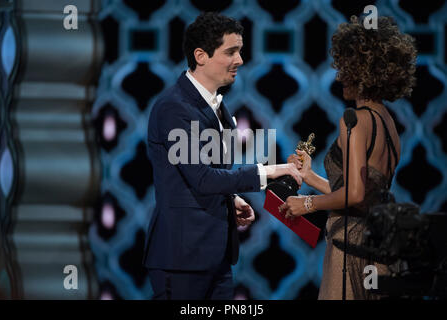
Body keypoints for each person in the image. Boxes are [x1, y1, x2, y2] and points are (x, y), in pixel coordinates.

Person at [143, 12, 302, 300]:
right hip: (183, 258)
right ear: (201, 56)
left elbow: (203, 175)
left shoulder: (215, 106)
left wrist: (230, 199)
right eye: (231, 52)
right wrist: (269, 171)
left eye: (239, 51)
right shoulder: (174, 107)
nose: (240, 60)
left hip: (216, 256)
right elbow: (202, 178)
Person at [282, 15, 417, 300]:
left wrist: (306, 204)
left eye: (345, 67)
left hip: (351, 251)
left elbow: (354, 195)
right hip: (379, 248)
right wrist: (311, 178)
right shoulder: (388, 123)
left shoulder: (355, 120)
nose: (340, 76)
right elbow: (362, 194)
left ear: (362, 72)